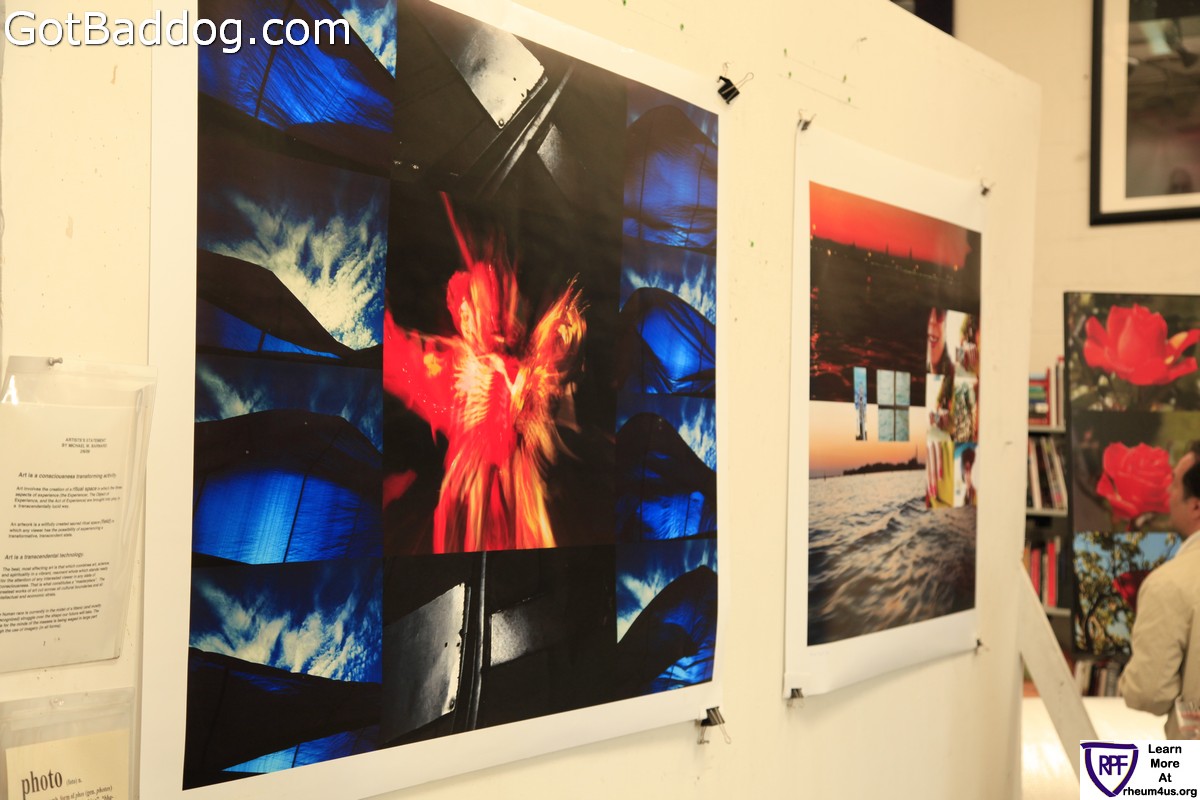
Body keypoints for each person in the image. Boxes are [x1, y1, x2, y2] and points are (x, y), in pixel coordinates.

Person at [1119, 441, 1200, 738]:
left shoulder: (1169, 584)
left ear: (1196, 506)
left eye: (1175, 484)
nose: (1167, 491)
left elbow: (1149, 693)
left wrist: (1127, 682)